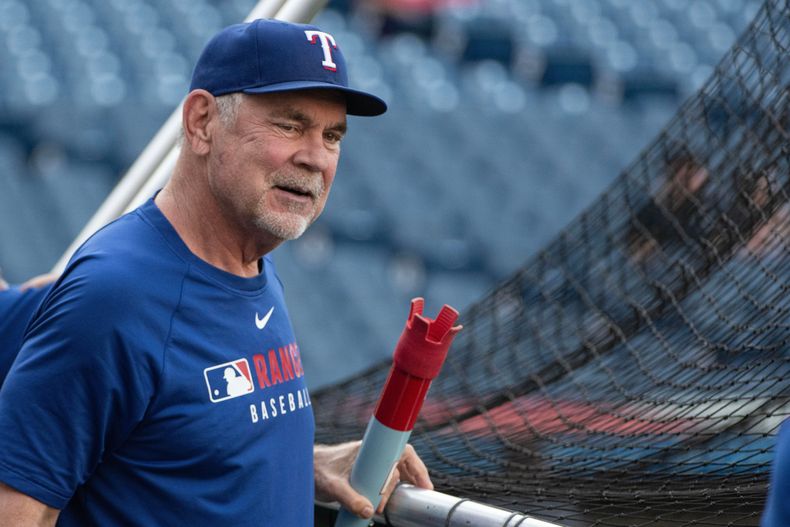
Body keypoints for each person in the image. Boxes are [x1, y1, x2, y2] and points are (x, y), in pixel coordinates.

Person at [0, 18, 432, 526]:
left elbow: (174, 442)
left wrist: (300, 465)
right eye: (289, 125)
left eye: (332, 135)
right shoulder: (118, 295)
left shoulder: (252, 266)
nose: (316, 157)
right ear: (202, 121)